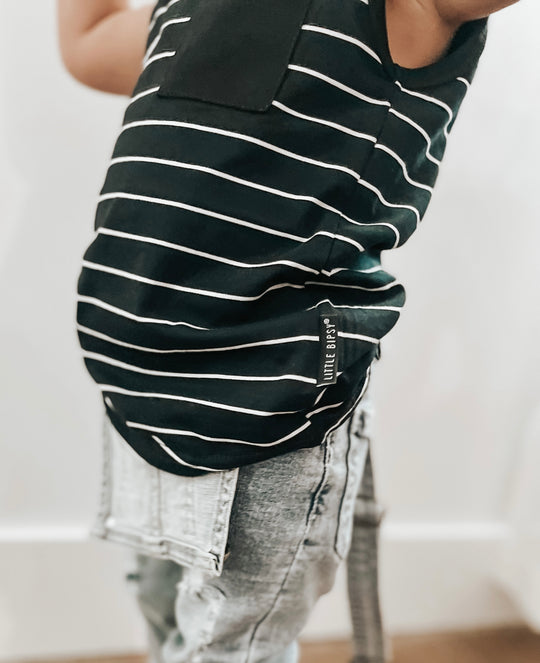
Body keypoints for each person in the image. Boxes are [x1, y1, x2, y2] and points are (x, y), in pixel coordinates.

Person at [57, 1, 520, 662]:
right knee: (162, 613)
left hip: (268, 407)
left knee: (231, 646)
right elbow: (88, 43)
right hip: (137, 380)